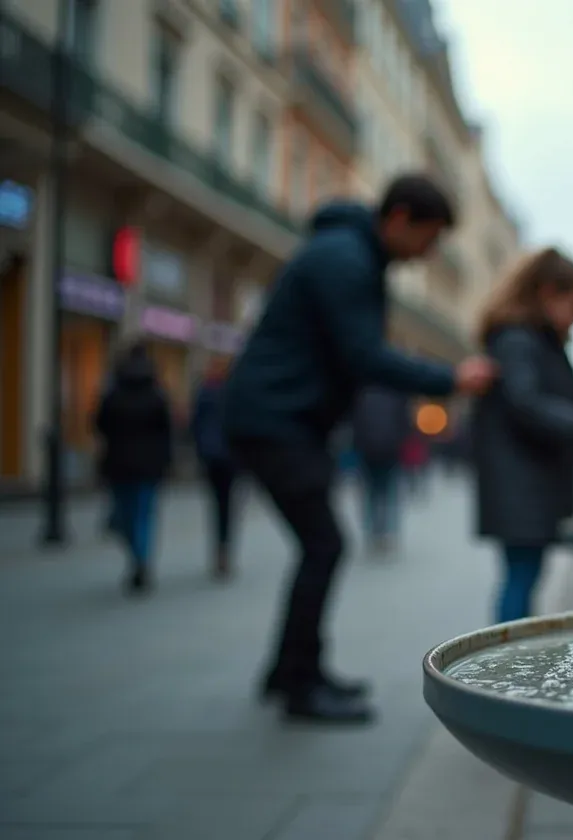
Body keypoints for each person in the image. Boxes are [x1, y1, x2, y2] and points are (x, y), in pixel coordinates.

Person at [222, 174, 496, 724]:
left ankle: (289, 670)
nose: (430, 252)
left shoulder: (349, 255)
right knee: (324, 545)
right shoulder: (344, 260)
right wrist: (450, 379)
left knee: (320, 545)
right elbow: (364, 355)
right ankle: (300, 684)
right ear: (398, 219)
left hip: (284, 419)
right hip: (275, 419)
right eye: (429, 236)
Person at [470, 247, 573, 625]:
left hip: (526, 479)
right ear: (548, 293)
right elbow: (526, 401)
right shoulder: (517, 339)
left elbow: (563, 389)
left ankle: (511, 656)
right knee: (521, 575)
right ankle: (507, 662)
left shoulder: (535, 339)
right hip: (519, 481)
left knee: (525, 574)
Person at [93, 341, 173, 595]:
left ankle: (136, 557)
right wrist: (167, 461)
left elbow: (99, 424)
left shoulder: (114, 393)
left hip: (119, 464)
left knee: (124, 514)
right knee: (144, 515)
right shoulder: (156, 394)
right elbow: (167, 432)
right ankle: (141, 559)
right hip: (149, 466)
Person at [191, 357, 238, 579]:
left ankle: (220, 550)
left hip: (212, 455)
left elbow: (195, 425)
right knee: (226, 506)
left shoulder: (205, 392)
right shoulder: (232, 392)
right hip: (228, 456)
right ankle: (223, 551)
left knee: (218, 505)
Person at [350, 387, 410, 554]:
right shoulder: (397, 394)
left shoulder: (361, 394)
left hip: (367, 452)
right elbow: (405, 424)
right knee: (389, 494)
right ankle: (387, 533)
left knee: (370, 494)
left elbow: (354, 424)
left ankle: (373, 533)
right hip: (390, 451)